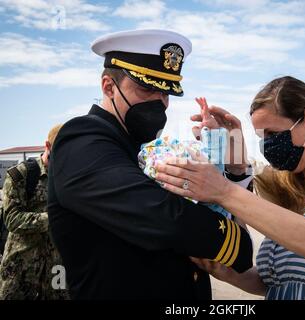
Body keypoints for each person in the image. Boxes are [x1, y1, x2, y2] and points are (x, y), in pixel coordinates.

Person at [48, 29, 253, 300]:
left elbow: (205, 208)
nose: (160, 102)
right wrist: (237, 242)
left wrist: (235, 171)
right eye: (147, 88)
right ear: (109, 87)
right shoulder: (82, 140)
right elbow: (166, 218)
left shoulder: (147, 148)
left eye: (167, 92)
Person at [155, 76, 305, 300]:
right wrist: (236, 169)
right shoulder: (283, 184)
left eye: (273, 133)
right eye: (261, 136)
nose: (267, 144)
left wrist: (223, 189)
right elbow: (276, 282)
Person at [0, 124, 68, 300]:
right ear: (48, 146)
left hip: (57, 268)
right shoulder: (22, 175)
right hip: (21, 267)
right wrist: (51, 220)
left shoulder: (68, 178)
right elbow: (12, 218)